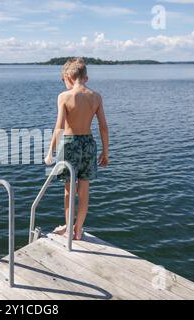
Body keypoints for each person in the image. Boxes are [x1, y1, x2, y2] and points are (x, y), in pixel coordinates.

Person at [44, 57, 109, 240]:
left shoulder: (64, 97)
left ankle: (68, 229)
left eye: (64, 79)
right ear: (84, 76)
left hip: (69, 143)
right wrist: (106, 151)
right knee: (84, 190)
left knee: (68, 190)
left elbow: (59, 127)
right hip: (88, 143)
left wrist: (50, 151)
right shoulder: (95, 97)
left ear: (69, 76)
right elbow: (103, 126)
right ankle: (78, 230)